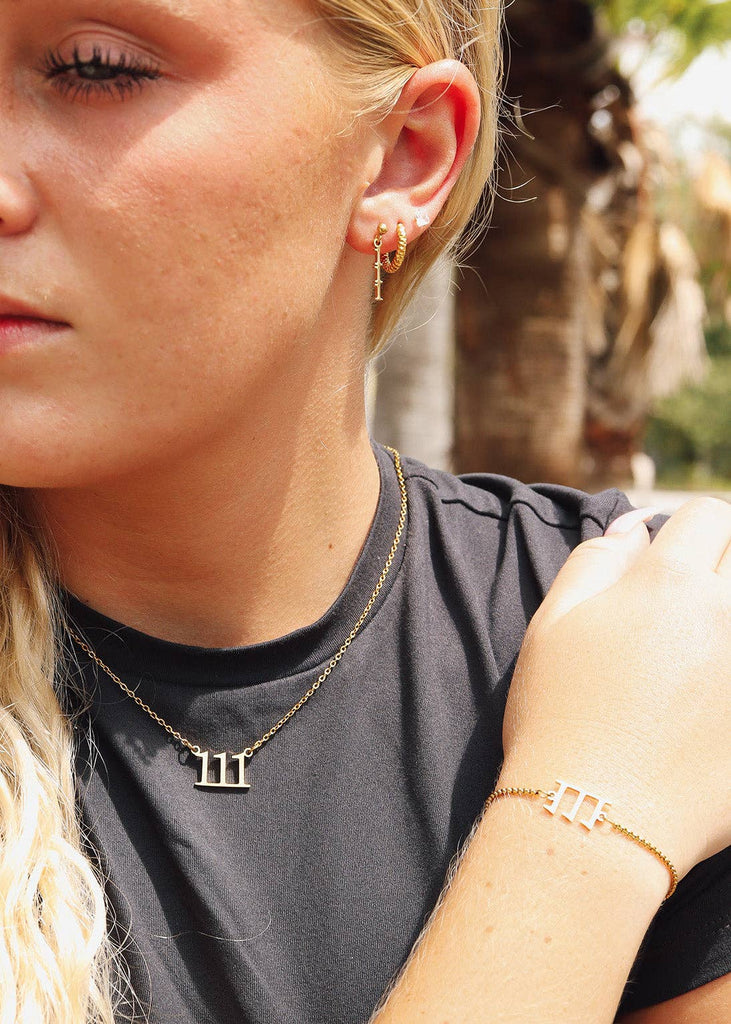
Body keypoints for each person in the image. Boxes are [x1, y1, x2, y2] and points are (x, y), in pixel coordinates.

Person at [0, 1, 728, 1022]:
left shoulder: (652, 642)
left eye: (94, 67)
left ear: (403, 156)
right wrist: (581, 827)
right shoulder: (631, 722)